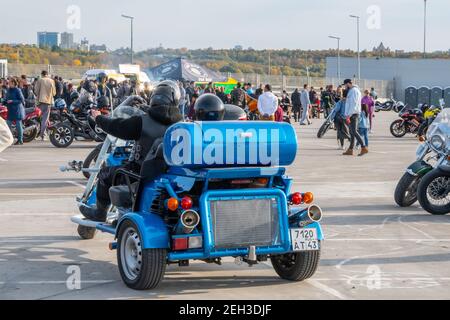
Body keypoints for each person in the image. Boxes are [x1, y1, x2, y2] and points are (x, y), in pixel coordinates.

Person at [79, 81, 183, 222]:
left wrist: (98, 117)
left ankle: (100, 212)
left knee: (105, 173)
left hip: (139, 174)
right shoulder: (182, 124)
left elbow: (115, 126)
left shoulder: (141, 122)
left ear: (154, 97)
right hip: (170, 176)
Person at [342, 79, 368, 156]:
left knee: (354, 131)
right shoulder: (354, 90)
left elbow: (353, 104)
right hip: (353, 113)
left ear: (348, 84)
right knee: (352, 132)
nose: (345, 86)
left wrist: (348, 115)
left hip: (353, 114)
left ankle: (364, 147)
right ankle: (350, 149)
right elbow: (351, 102)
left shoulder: (353, 91)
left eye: (345, 85)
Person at [34, 70, 56, 140]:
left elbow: (36, 91)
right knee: (45, 119)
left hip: (40, 101)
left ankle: (34, 134)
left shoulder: (40, 80)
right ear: (47, 74)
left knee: (37, 118)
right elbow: (54, 93)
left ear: (41, 74)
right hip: (48, 102)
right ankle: (43, 135)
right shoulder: (51, 81)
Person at [5, 78, 26, 145]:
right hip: (10, 110)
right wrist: (3, 102)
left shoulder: (17, 90)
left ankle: (20, 140)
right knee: (8, 125)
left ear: (13, 83)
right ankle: (9, 140)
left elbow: (21, 100)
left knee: (18, 125)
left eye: (9, 82)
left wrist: (12, 101)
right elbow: (6, 99)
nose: (8, 84)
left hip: (17, 110)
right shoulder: (8, 90)